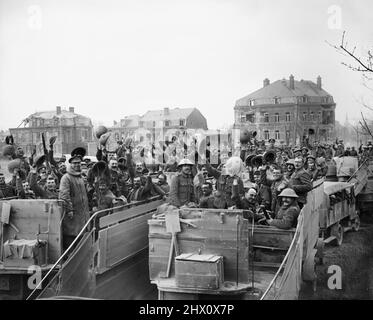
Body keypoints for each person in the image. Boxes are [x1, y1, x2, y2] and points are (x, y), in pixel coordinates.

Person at [59, 148, 90, 251]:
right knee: (72, 242)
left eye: (79, 163)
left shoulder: (80, 178)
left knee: (82, 240)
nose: (77, 165)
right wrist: (69, 210)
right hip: (72, 218)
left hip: (82, 217)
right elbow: (64, 196)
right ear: (70, 164)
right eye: (74, 163)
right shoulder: (66, 178)